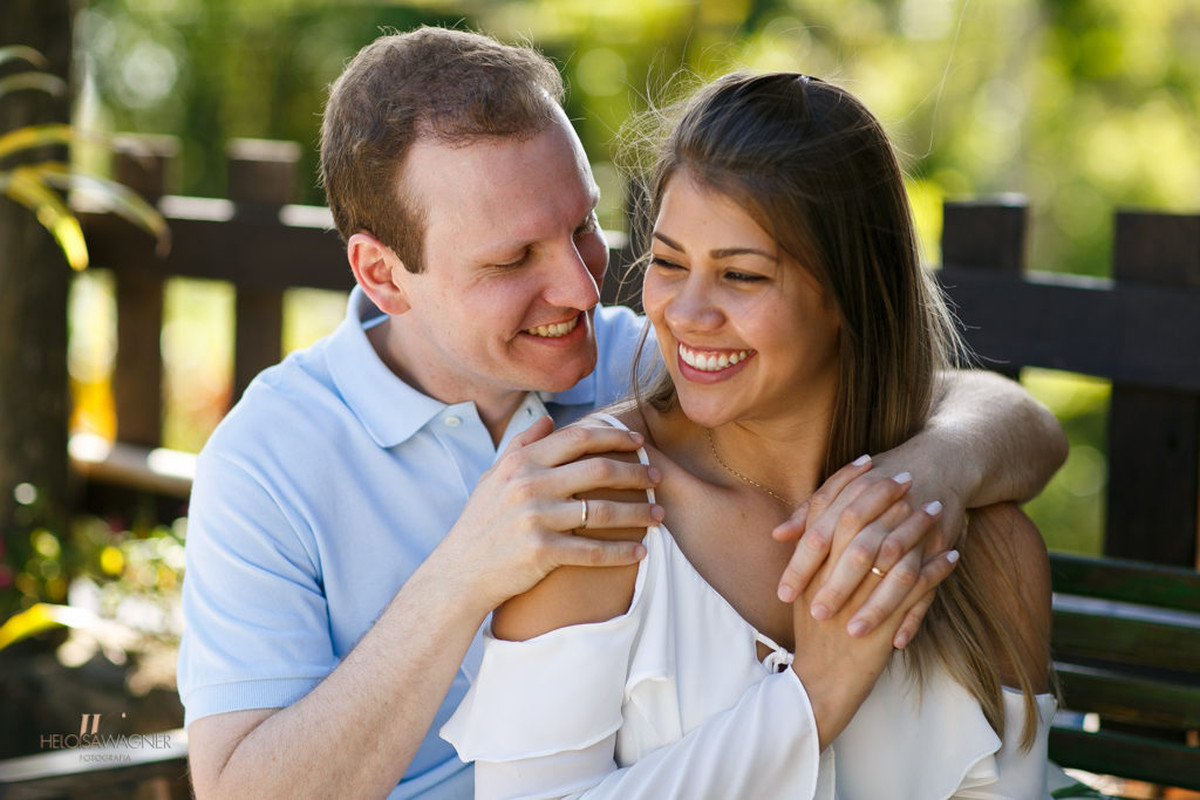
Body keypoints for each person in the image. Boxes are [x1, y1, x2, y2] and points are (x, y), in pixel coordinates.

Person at [178, 28, 1067, 800]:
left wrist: (936, 469)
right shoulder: (269, 460)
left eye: (582, 226)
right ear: (381, 274)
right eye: (512, 259)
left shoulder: (638, 357)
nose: (581, 284)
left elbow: (970, 405)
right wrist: (462, 578)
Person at [442, 72, 1064, 797]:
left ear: (848, 293)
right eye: (669, 263)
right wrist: (811, 700)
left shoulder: (982, 549)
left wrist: (946, 460)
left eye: (741, 275)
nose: (686, 312)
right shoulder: (596, 515)